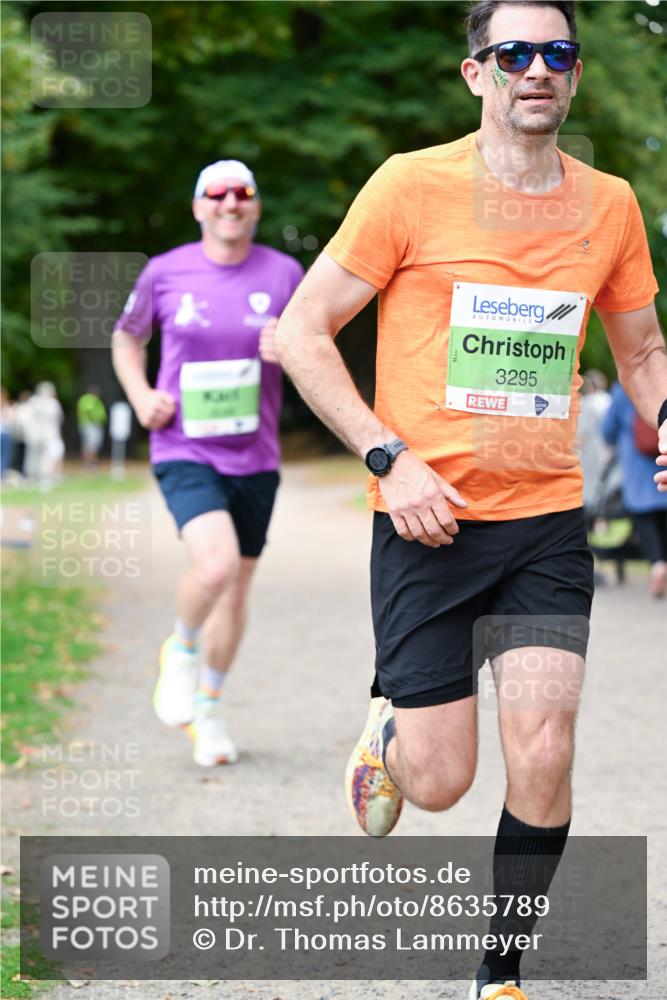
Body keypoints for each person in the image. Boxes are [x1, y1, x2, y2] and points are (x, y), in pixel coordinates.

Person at [276, 3, 667, 998]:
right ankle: (390, 726)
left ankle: (499, 969)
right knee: (441, 781)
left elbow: (644, 353)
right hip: (425, 516)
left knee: (544, 743)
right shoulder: (410, 186)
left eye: (558, 53)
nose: (538, 68)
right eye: (515, 53)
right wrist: (386, 459)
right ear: (474, 72)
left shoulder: (610, 205)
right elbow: (301, 331)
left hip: (543, 518)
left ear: (574, 75)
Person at [112, 159, 303, 767]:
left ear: (256, 207)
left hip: (256, 455)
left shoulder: (284, 271)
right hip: (184, 447)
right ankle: (183, 648)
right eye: (215, 194)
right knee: (215, 566)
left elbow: (312, 341)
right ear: (198, 207)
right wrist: (142, 396)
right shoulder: (166, 272)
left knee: (237, 586)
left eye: (243, 193)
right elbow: (127, 336)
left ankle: (210, 710)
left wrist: (289, 347)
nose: (230, 202)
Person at [602, 382, 667, 598]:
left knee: (644, 522)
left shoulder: (622, 390)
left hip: (636, 471)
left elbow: (608, 432)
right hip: (662, 461)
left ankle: (657, 564)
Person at [23, 382, 65, 489]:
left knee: (41, 457)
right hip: (42, 435)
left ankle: (39, 479)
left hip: (40, 435)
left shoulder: (34, 402)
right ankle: (37, 479)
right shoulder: (50, 403)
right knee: (39, 457)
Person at [77, 385, 107, 468]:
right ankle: (90, 463)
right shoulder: (88, 399)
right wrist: (96, 419)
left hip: (94, 425)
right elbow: (89, 410)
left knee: (92, 445)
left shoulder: (95, 400)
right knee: (90, 445)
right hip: (90, 425)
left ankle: (91, 462)